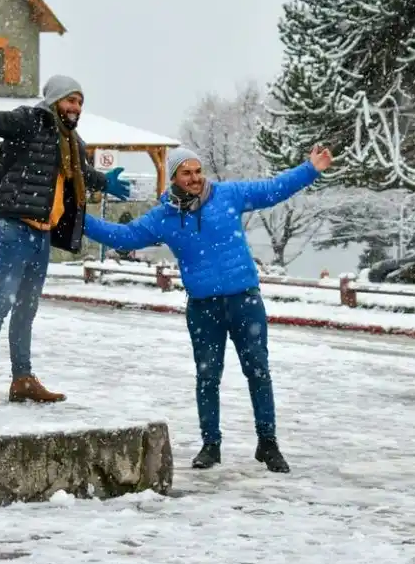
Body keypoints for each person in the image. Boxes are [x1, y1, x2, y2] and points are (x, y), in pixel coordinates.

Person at [82, 145, 332, 473]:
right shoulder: (164, 218)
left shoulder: (228, 195)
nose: (195, 178)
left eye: (198, 171)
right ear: (173, 177)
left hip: (244, 299)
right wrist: (75, 217)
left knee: (258, 371)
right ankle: (211, 445)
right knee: (208, 375)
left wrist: (309, 169)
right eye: (187, 173)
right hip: (204, 306)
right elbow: (125, 236)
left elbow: (273, 190)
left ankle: (268, 443)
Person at [0, 68, 131, 406]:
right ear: (56, 100)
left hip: (42, 233)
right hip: (15, 227)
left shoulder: (71, 142)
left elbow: (81, 174)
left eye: (81, 102)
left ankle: (22, 379)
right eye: (72, 99)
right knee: (1, 301)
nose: (77, 107)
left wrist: (105, 182)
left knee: (26, 309)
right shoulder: (30, 121)